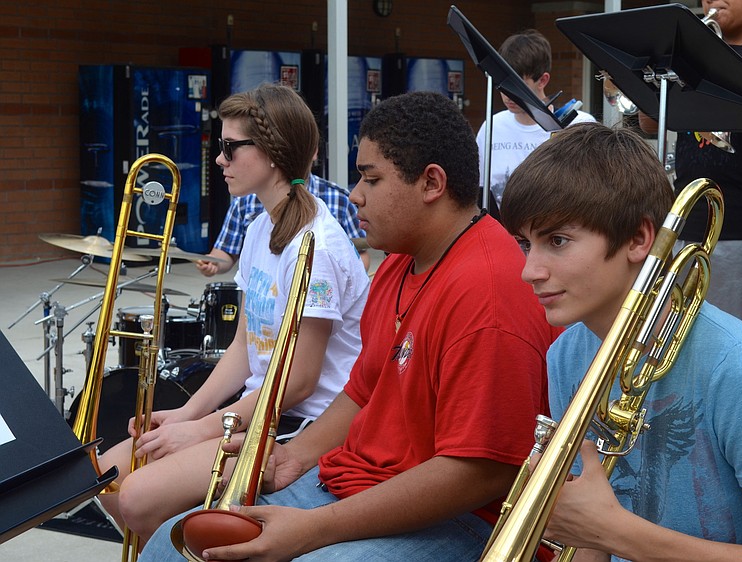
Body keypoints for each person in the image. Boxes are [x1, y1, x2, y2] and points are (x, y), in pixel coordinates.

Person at [139, 90, 557, 561]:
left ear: (432, 183)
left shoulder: (489, 293)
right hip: (355, 480)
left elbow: (478, 475)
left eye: (370, 179)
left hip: (462, 518)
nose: (354, 194)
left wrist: (313, 529)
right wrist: (293, 458)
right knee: (169, 545)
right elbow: (362, 391)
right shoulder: (399, 265)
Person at [499, 123, 742, 561]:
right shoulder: (567, 354)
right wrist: (597, 533)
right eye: (526, 244)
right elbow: (589, 538)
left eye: (557, 241)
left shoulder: (740, 369)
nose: (530, 270)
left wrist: (618, 534)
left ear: (639, 239)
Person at [97, 82, 370, 544]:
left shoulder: (316, 246)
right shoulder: (260, 226)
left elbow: (299, 381)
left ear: (272, 153)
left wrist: (202, 429)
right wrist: (188, 412)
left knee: (138, 497)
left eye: (228, 147)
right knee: (106, 477)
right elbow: (245, 345)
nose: (219, 160)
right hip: (258, 407)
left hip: (301, 423)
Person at [638, 0, 742, 321]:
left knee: (734, 338)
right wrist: (651, 81)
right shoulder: (692, 55)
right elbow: (650, 124)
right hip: (686, 220)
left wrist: (721, 84)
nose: (710, 0)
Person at [475, 28, 596, 211]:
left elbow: (595, 191)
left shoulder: (579, 125)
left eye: (516, 84)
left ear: (542, 80)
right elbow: (479, 189)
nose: (507, 95)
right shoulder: (491, 126)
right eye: (502, 83)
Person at [197, 172, 369, 277]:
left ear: (314, 152)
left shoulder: (338, 198)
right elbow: (226, 251)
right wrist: (213, 264)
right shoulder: (247, 207)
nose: (221, 159)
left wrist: (339, 275)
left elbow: (360, 254)